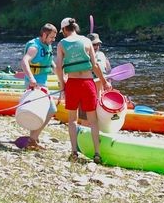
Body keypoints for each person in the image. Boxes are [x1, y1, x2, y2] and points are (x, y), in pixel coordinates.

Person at [55, 17, 111, 163]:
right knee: (93, 121)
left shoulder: (62, 44)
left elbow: (58, 67)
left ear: (65, 30)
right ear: (75, 28)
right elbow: (95, 66)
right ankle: (97, 153)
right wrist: (104, 82)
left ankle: (74, 151)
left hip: (73, 84)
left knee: (72, 120)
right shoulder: (87, 41)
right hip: (88, 83)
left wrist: (62, 85)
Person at [20, 23, 58, 148]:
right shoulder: (34, 47)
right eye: (51, 37)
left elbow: (49, 60)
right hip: (35, 83)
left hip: (42, 82)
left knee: (48, 110)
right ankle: (33, 138)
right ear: (44, 34)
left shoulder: (47, 45)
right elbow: (24, 61)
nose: (53, 40)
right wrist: (31, 79)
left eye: (54, 37)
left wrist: (60, 74)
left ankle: (33, 139)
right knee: (52, 109)